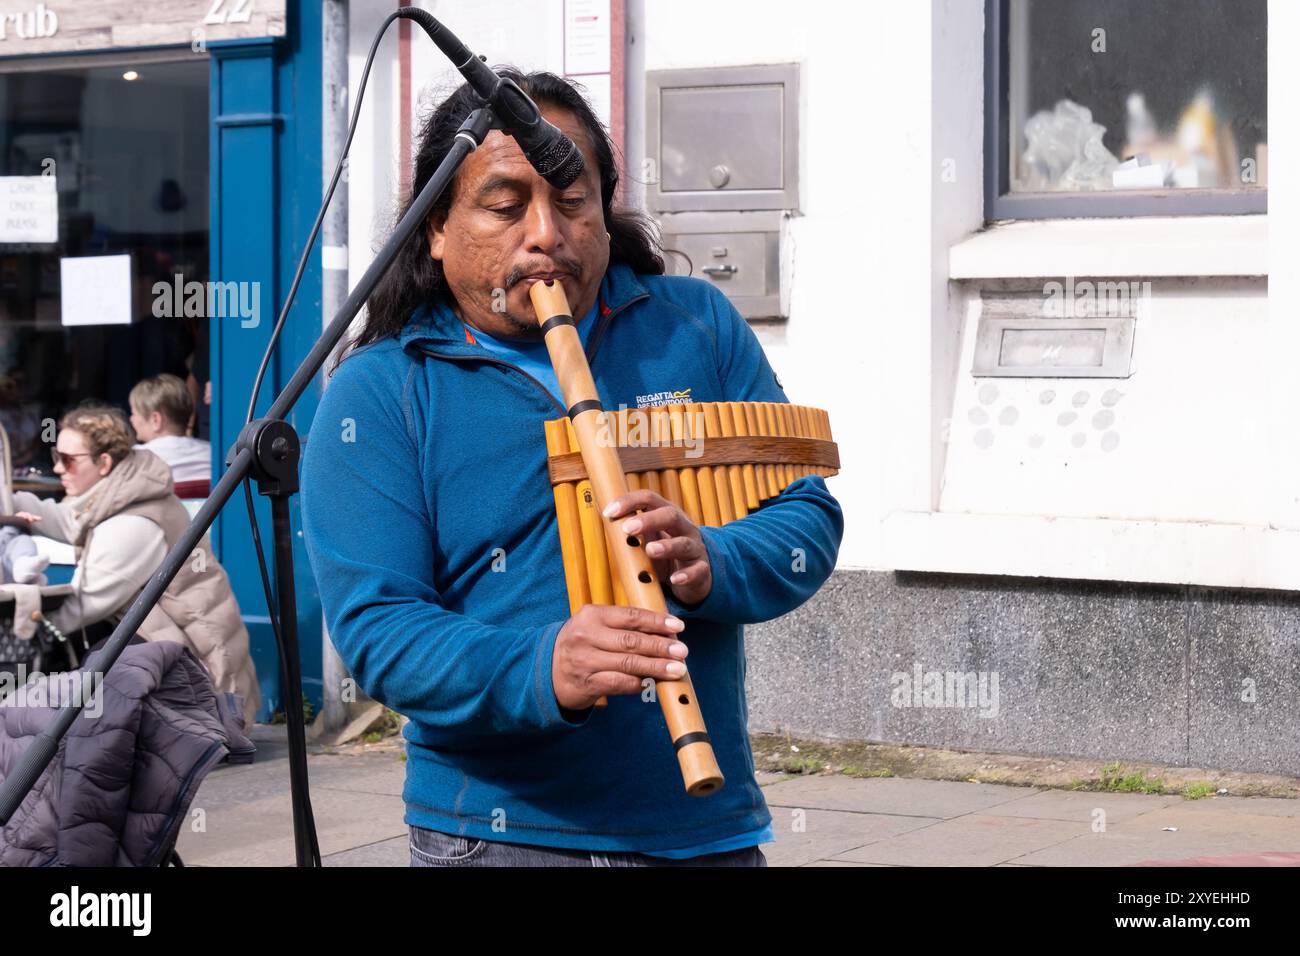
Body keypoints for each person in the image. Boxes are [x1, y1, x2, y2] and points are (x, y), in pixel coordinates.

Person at [300, 70, 843, 867]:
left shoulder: (694, 326)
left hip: (704, 828)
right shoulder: (379, 392)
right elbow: (380, 632)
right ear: (437, 229)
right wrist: (543, 665)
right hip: (495, 838)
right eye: (505, 204)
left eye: (572, 199)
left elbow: (806, 516)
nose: (546, 233)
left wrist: (712, 558)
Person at [12, 403, 259, 725]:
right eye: (56, 457)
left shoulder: (133, 524)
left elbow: (78, 609)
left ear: (104, 462)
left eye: (68, 460)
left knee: (70, 666)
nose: (58, 469)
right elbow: (68, 520)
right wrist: (11, 502)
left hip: (205, 700)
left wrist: (17, 614)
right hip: (187, 666)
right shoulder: (122, 496)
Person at [128, 373, 211, 490]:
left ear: (155, 420)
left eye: (134, 413)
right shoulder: (214, 454)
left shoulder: (133, 458)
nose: (131, 419)